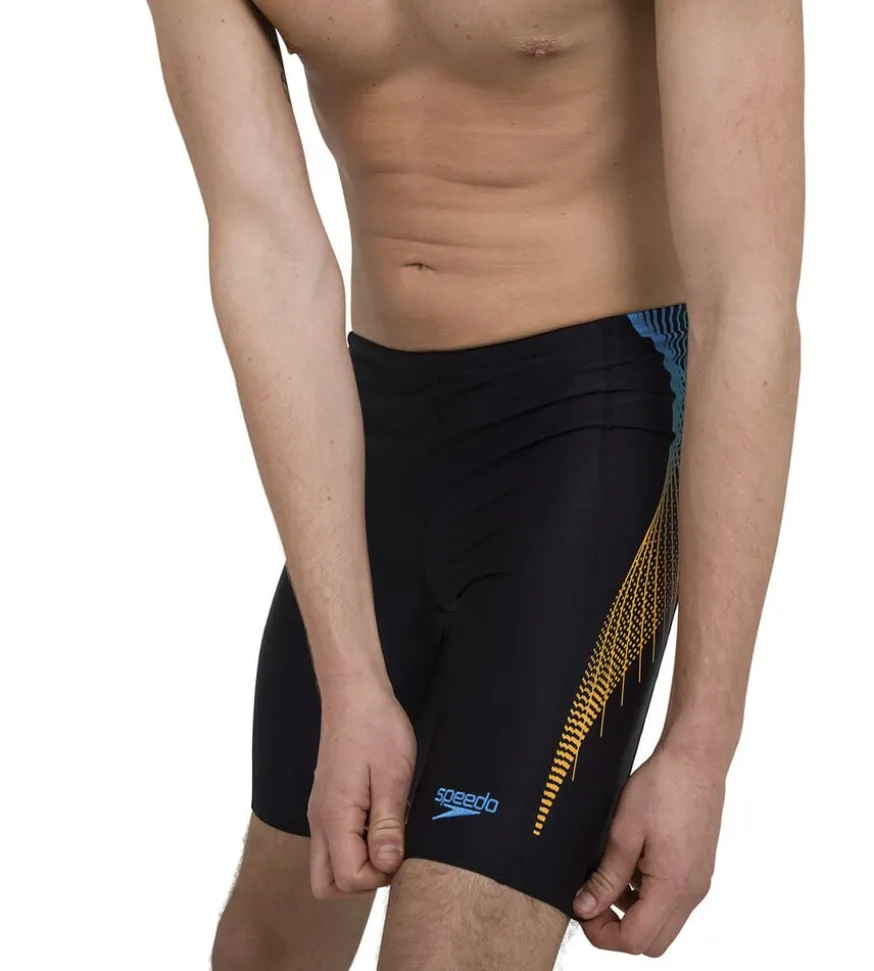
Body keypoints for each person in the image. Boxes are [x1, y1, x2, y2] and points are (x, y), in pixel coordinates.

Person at [146, 0, 803, 967]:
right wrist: (350, 675)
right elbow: (269, 254)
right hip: (374, 426)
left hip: (591, 426)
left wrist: (703, 743)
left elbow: (746, 302)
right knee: (265, 949)